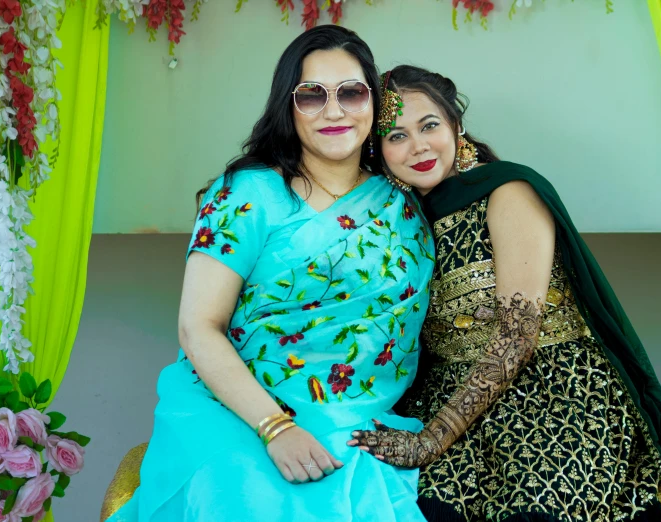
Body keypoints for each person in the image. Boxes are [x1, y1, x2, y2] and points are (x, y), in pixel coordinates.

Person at [107, 29, 435, 522]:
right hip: (234, 410)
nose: (334, 111)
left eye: (351, 92)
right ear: (289, 105)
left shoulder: (402, 204)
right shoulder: (248, 193)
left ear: (375, 102)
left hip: (356, 420)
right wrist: (275, 428)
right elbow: (198, 327)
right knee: (246, 501)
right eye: (311, 95)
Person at [348, 65, 661, 522]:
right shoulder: (397, 223)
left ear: (455, 125)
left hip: (554, 389)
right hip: (451, 393)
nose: (418, 147)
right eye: (396, 136)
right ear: (378, 150)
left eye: (429, 125)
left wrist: (430, 440)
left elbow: (518, 336)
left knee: (533, 511)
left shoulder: (507, 190)